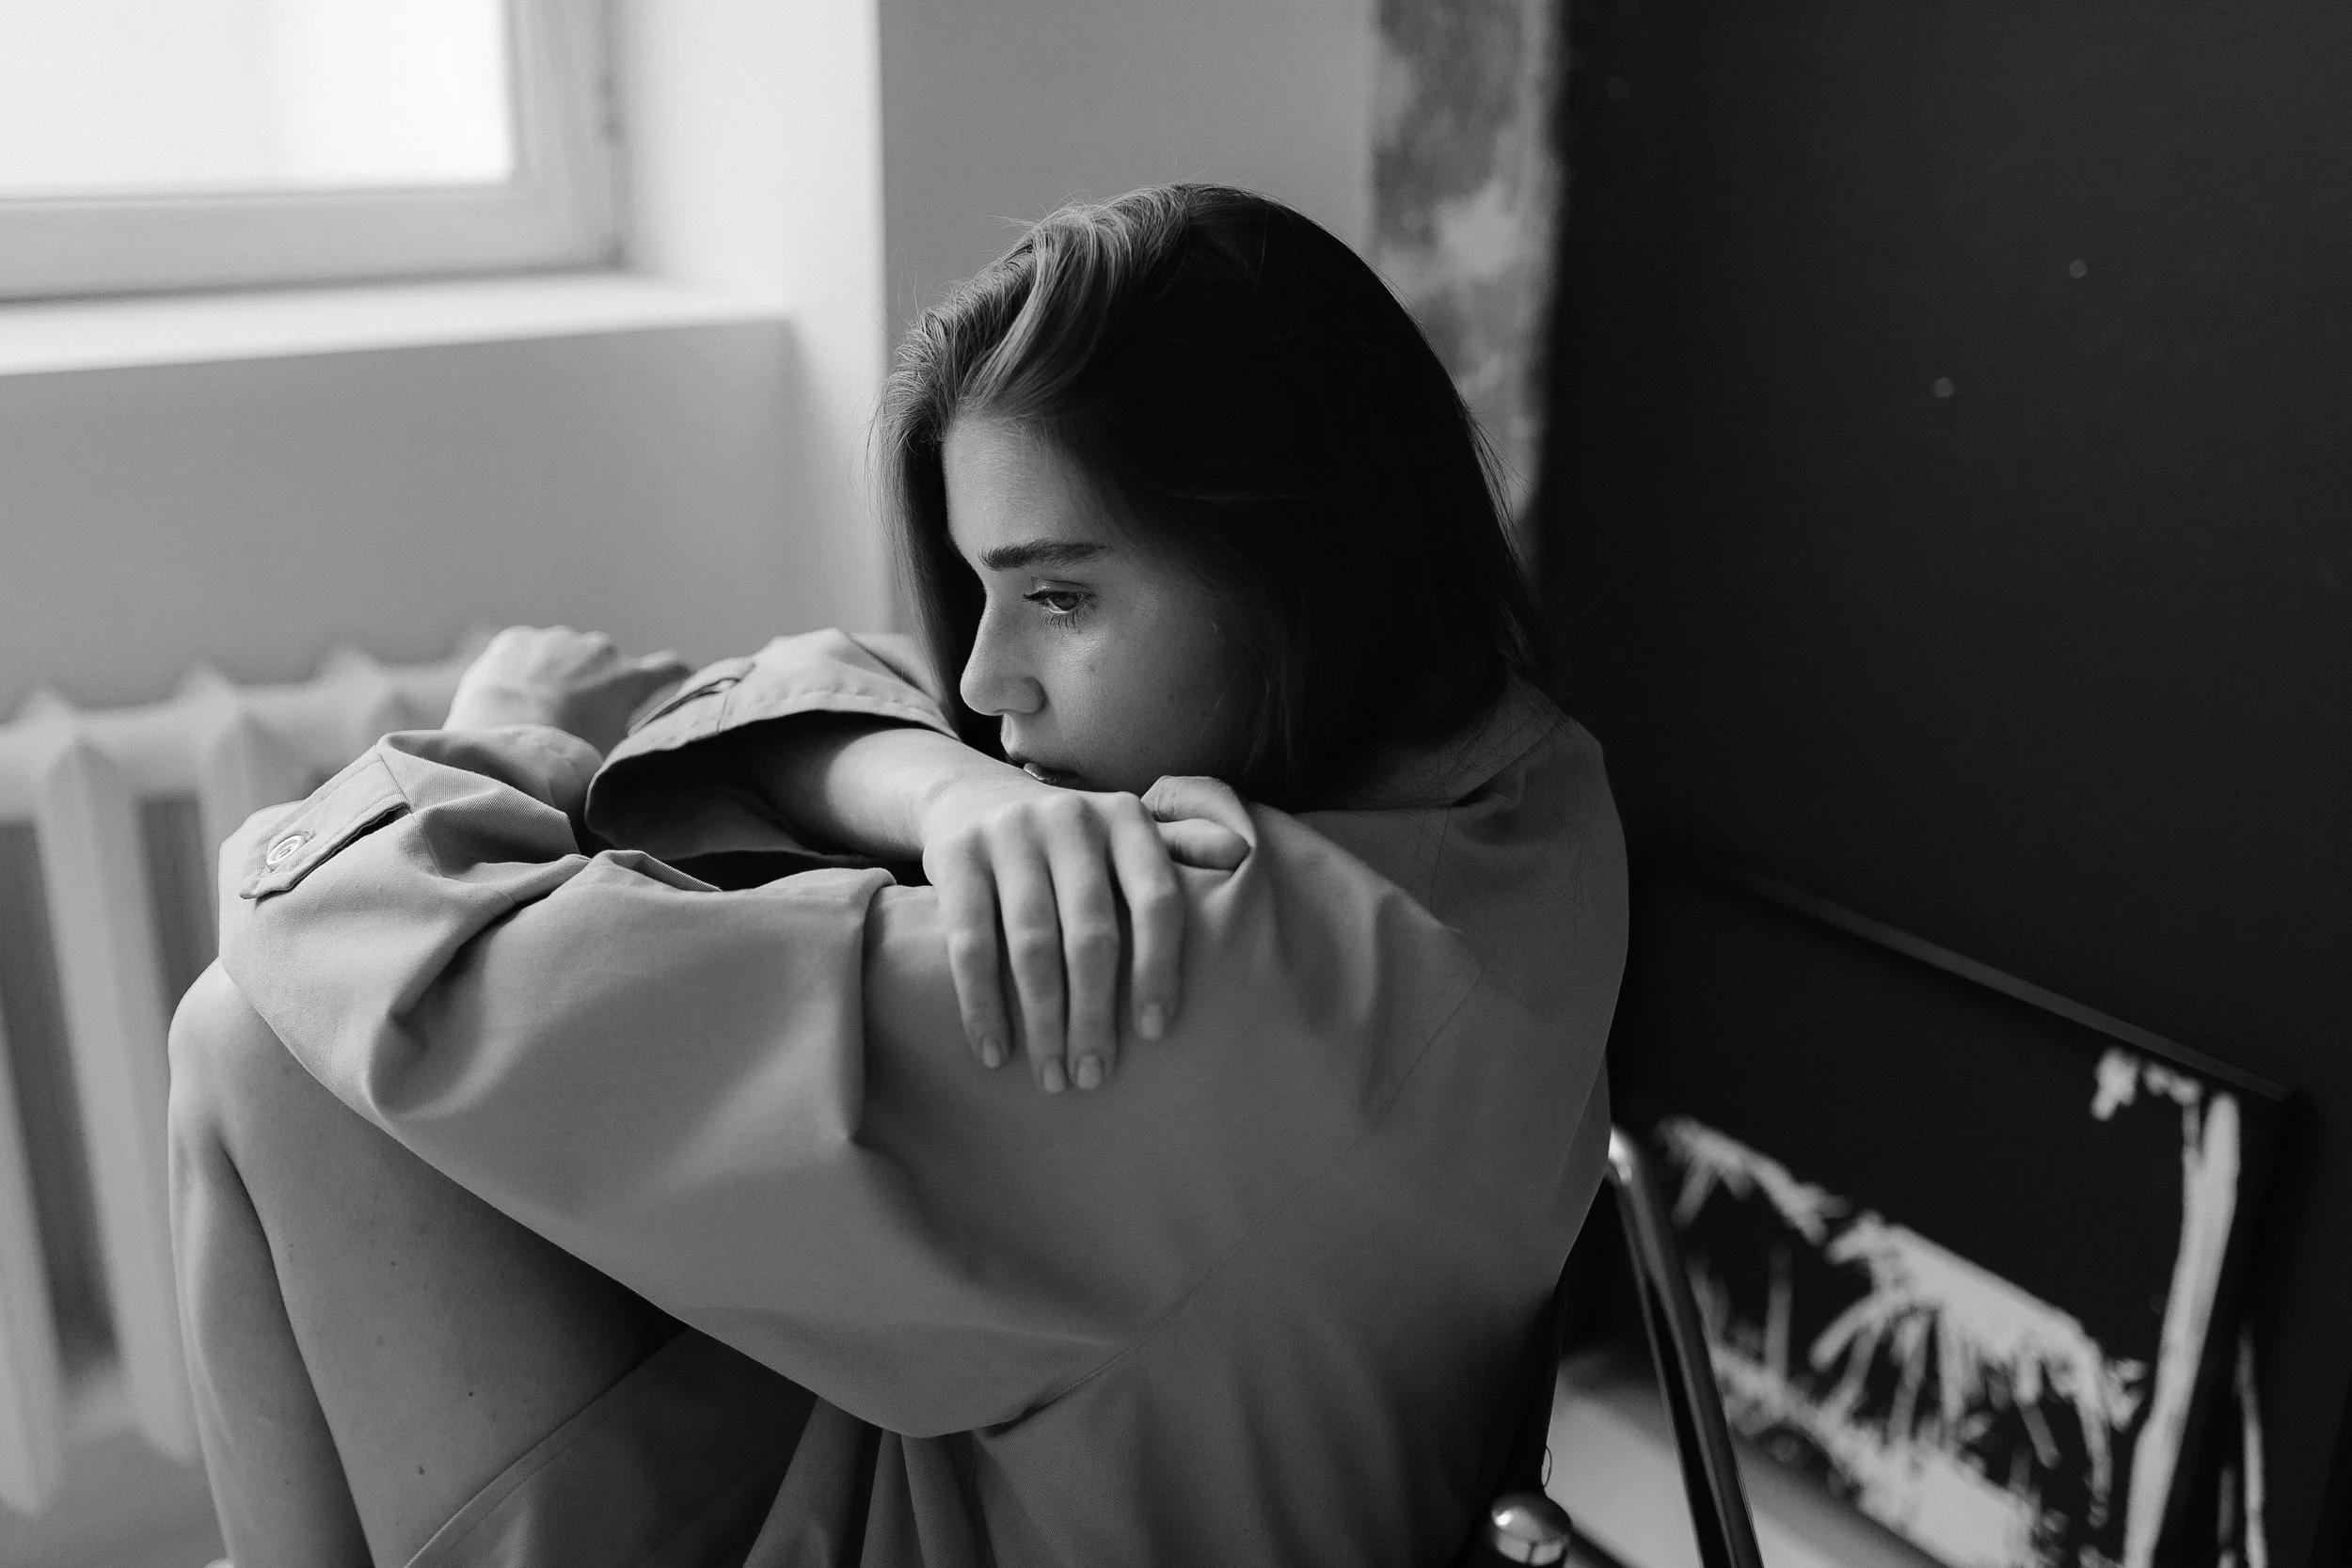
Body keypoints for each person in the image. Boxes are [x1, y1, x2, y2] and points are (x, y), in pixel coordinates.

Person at [167, 183, 1627, 1568]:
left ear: (1308, 557)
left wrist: (501, 733)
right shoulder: (1527, 788)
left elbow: (356, 940)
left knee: (254, 1039)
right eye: (981, 587)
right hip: (1178, 1473)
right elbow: (847, 684)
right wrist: (945, 789)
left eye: (1060, 595)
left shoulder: (1154, 971)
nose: (993, 681)